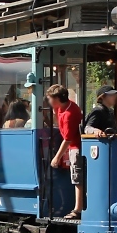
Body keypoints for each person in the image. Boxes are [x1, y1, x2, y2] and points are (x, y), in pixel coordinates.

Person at [46, 84, 85, 220]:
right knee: (75, 177)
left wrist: (57, 157)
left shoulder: (70, 113)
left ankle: (78, 209)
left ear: (57, 98)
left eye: (49, 98)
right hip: (71, 147)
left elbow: (68, 138)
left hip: (76, 147)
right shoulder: (60, 108)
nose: (48, 101)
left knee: (77, 178)